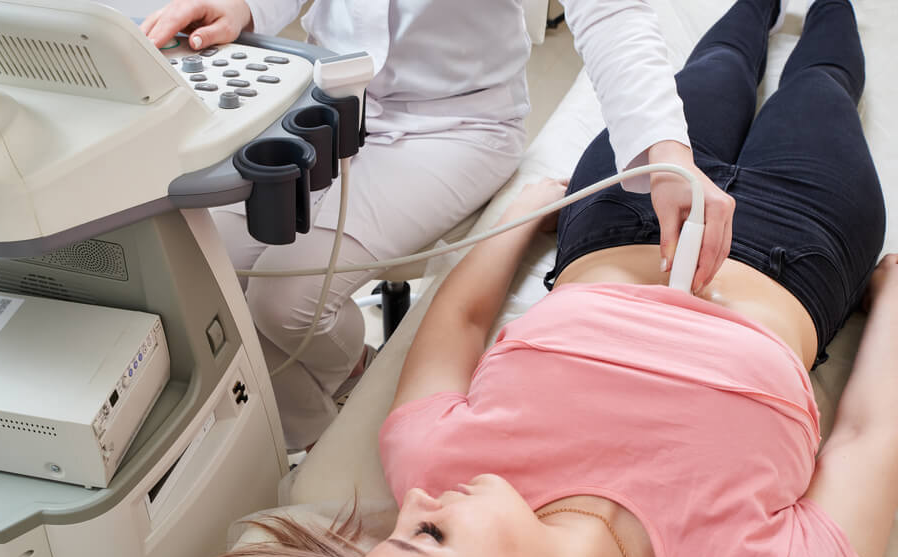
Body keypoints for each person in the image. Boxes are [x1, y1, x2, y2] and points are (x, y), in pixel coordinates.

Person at [152, 1, 891, 557]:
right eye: (429, 536)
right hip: (802, 245)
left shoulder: (437, 464)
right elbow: (866, 434)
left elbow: (463, 319)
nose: (412, 503)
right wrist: (892, 303)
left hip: (617, 220)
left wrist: (524, 216)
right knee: (820, 83)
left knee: (719, 64)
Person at [140, 0, 736, 451]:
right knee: (206, 263)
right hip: (323, 94)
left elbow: (609, 17)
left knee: (283, 300)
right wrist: (245, 7)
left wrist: (667, 153)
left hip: (457, 123)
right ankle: (315, 404)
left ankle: (329, 414)